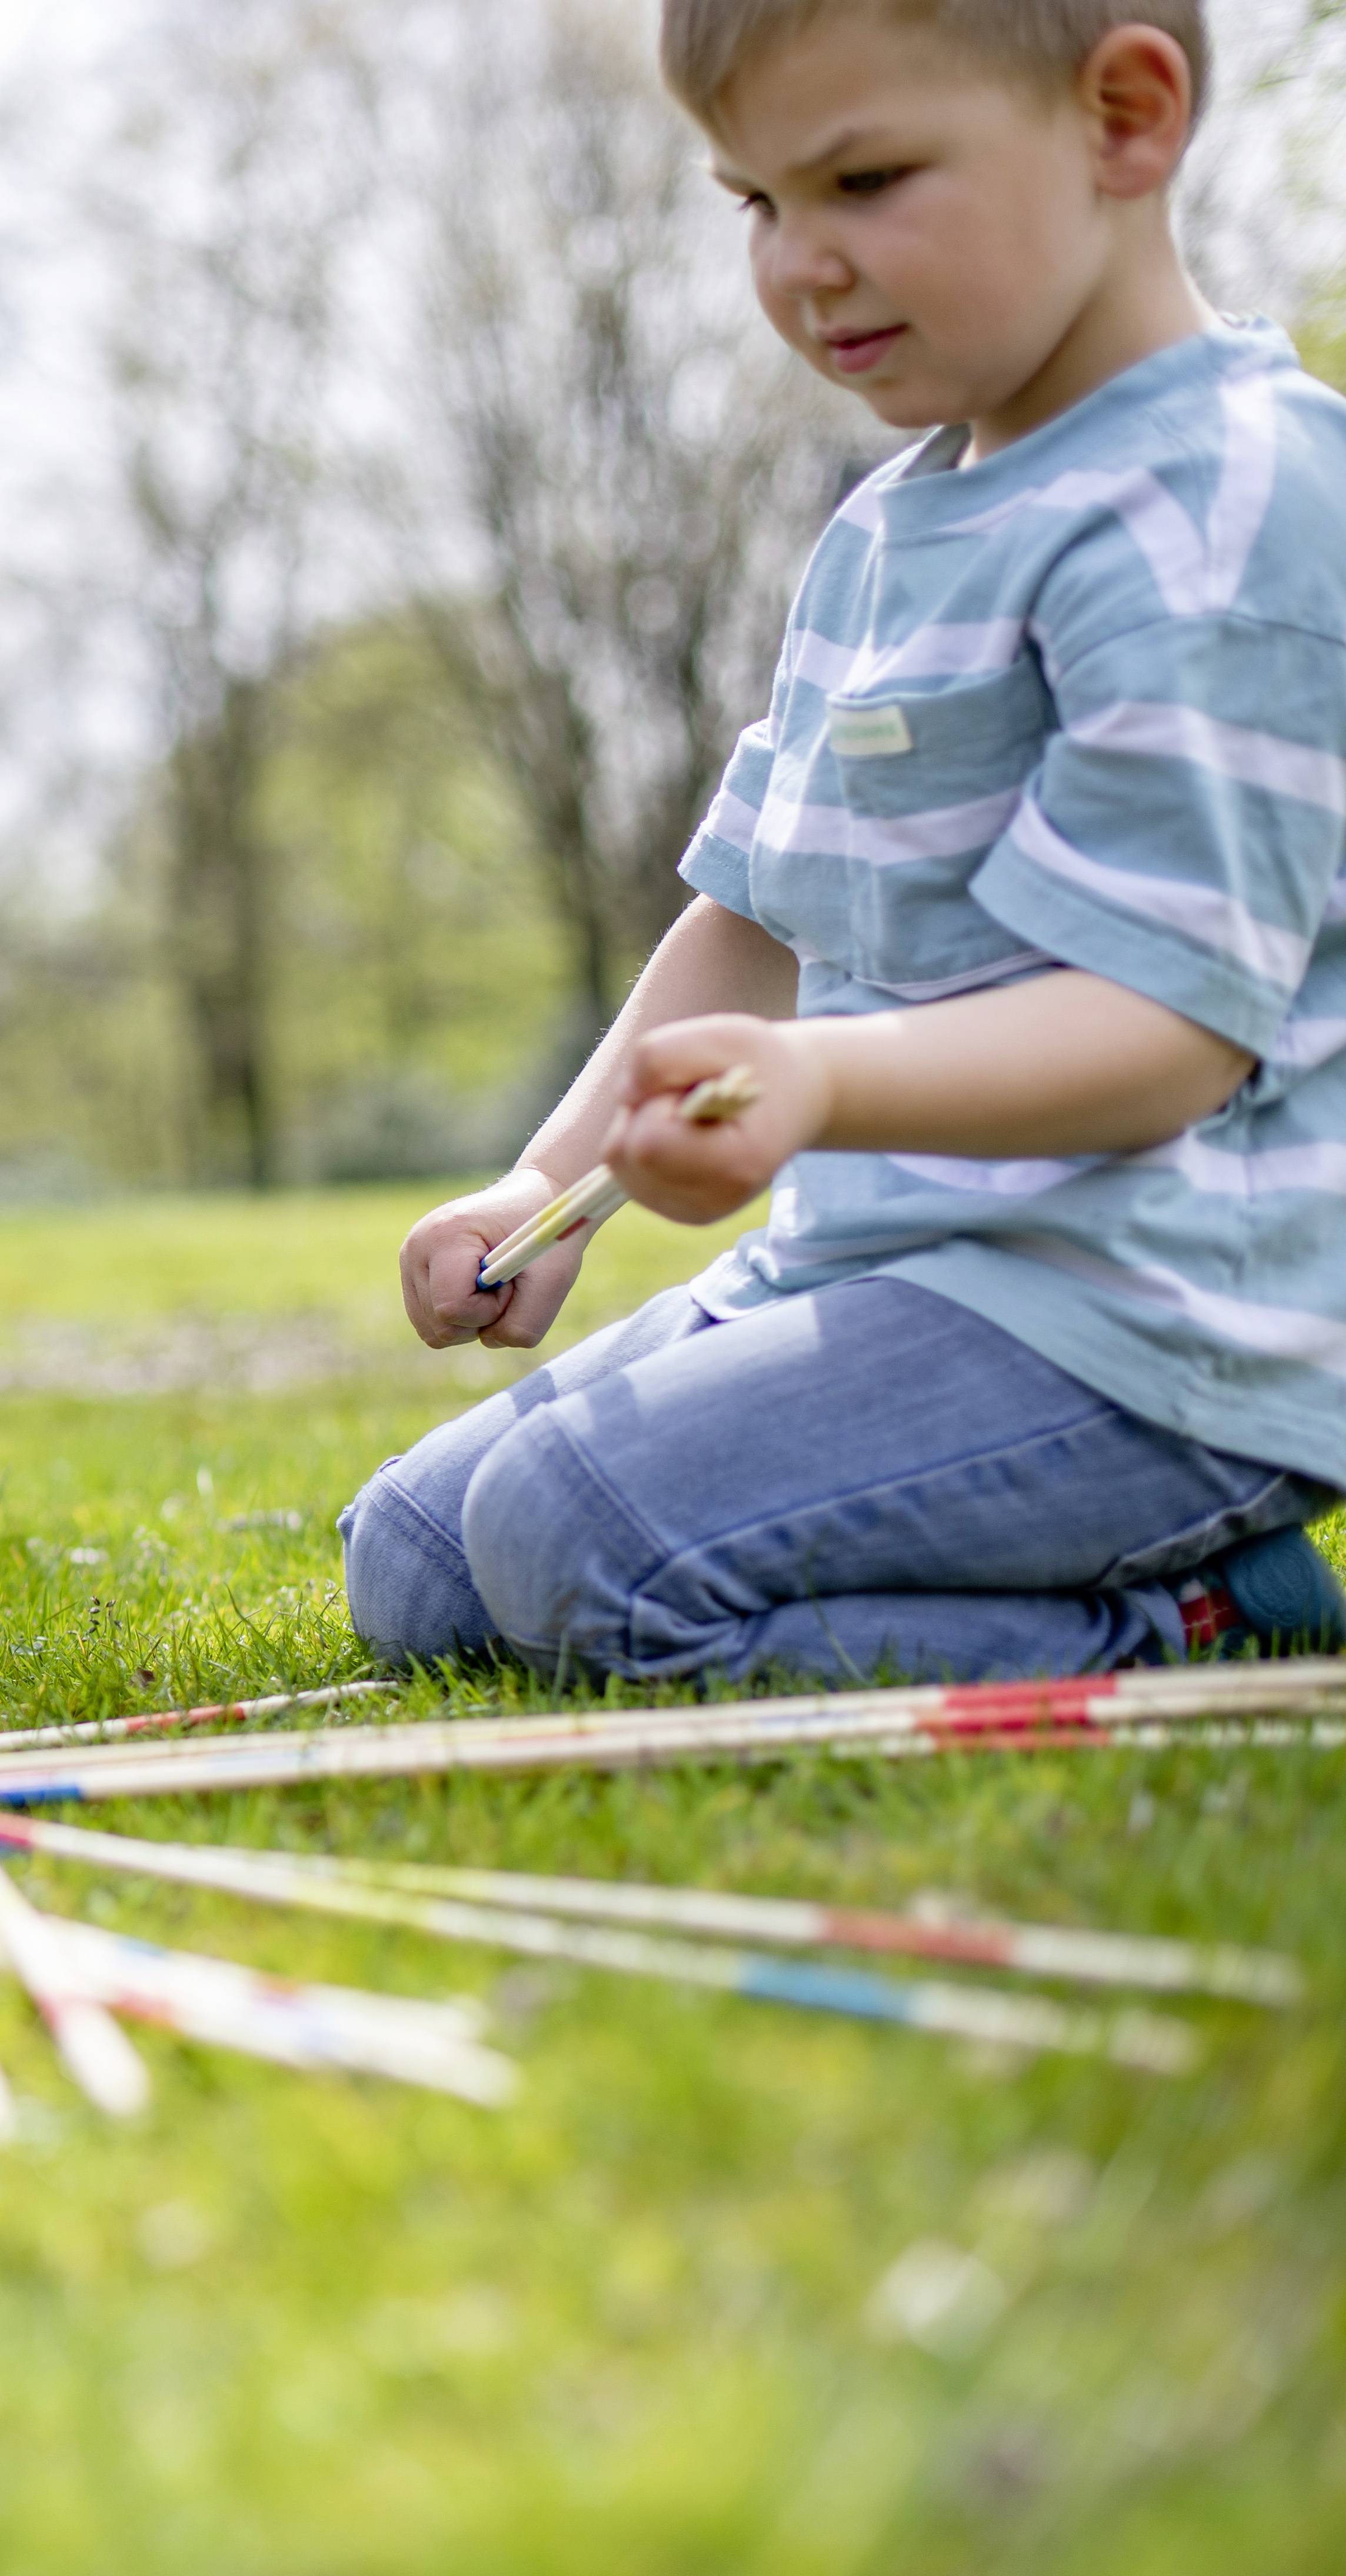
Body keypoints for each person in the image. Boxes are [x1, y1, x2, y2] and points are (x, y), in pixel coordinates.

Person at [341, 0, 1346, 1686]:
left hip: (1160, 1329)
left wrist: (823, 1091)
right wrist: (552, 1187)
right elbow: (756, 913)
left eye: (863, 180)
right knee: (424, 1563)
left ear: (1124, 117)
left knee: (566, 1545)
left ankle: (1191, 1618)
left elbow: (1163, 1036)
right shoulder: (885, 529)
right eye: (755, 202)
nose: (801, 265)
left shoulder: (1223, 505)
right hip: (892, 1270)